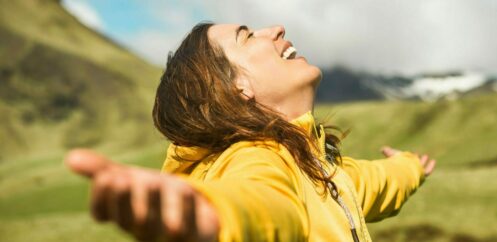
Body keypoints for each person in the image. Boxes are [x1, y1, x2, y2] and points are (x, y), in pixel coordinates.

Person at [66, 22, 436, 242]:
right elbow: (262, 202)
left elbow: (373, 182)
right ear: (236, 87)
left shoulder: (319, 165)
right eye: (246, 36)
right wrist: (216, 215)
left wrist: (409, 167)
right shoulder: (257, 156)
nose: (275, 29)